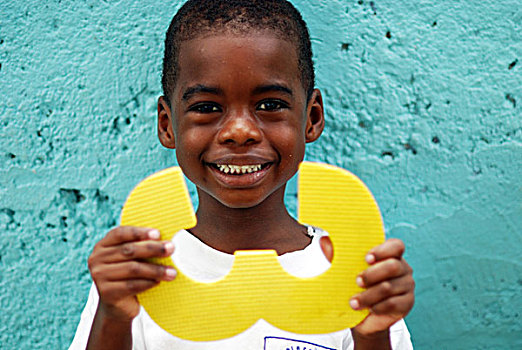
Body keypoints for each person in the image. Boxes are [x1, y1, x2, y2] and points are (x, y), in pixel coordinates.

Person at [69, 0, 415, 349]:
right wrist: (112, 318)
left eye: (270, 105)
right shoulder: (140, 273)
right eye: (206, 107)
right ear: (166, 124)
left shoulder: (351, 274)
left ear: (311, 118)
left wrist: (372, 335)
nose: (239, 131)